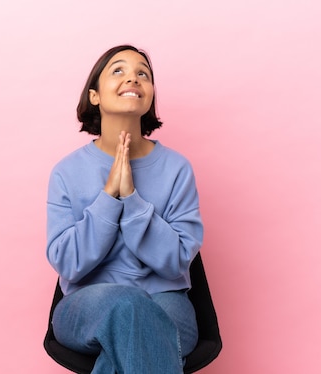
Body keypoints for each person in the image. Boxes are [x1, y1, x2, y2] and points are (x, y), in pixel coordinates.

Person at [46, 45, 203, 374]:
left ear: (149, 96)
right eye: (118, 70)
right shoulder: (66, 172)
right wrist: (108, 197)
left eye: (142, 73)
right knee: (130, 308)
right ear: (94, 96)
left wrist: (131, 198)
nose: (133, 77)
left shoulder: (177, 169)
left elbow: (176, 261)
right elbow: (69, 265)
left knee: (134, 333)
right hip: (86, 305)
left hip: (167, 302)